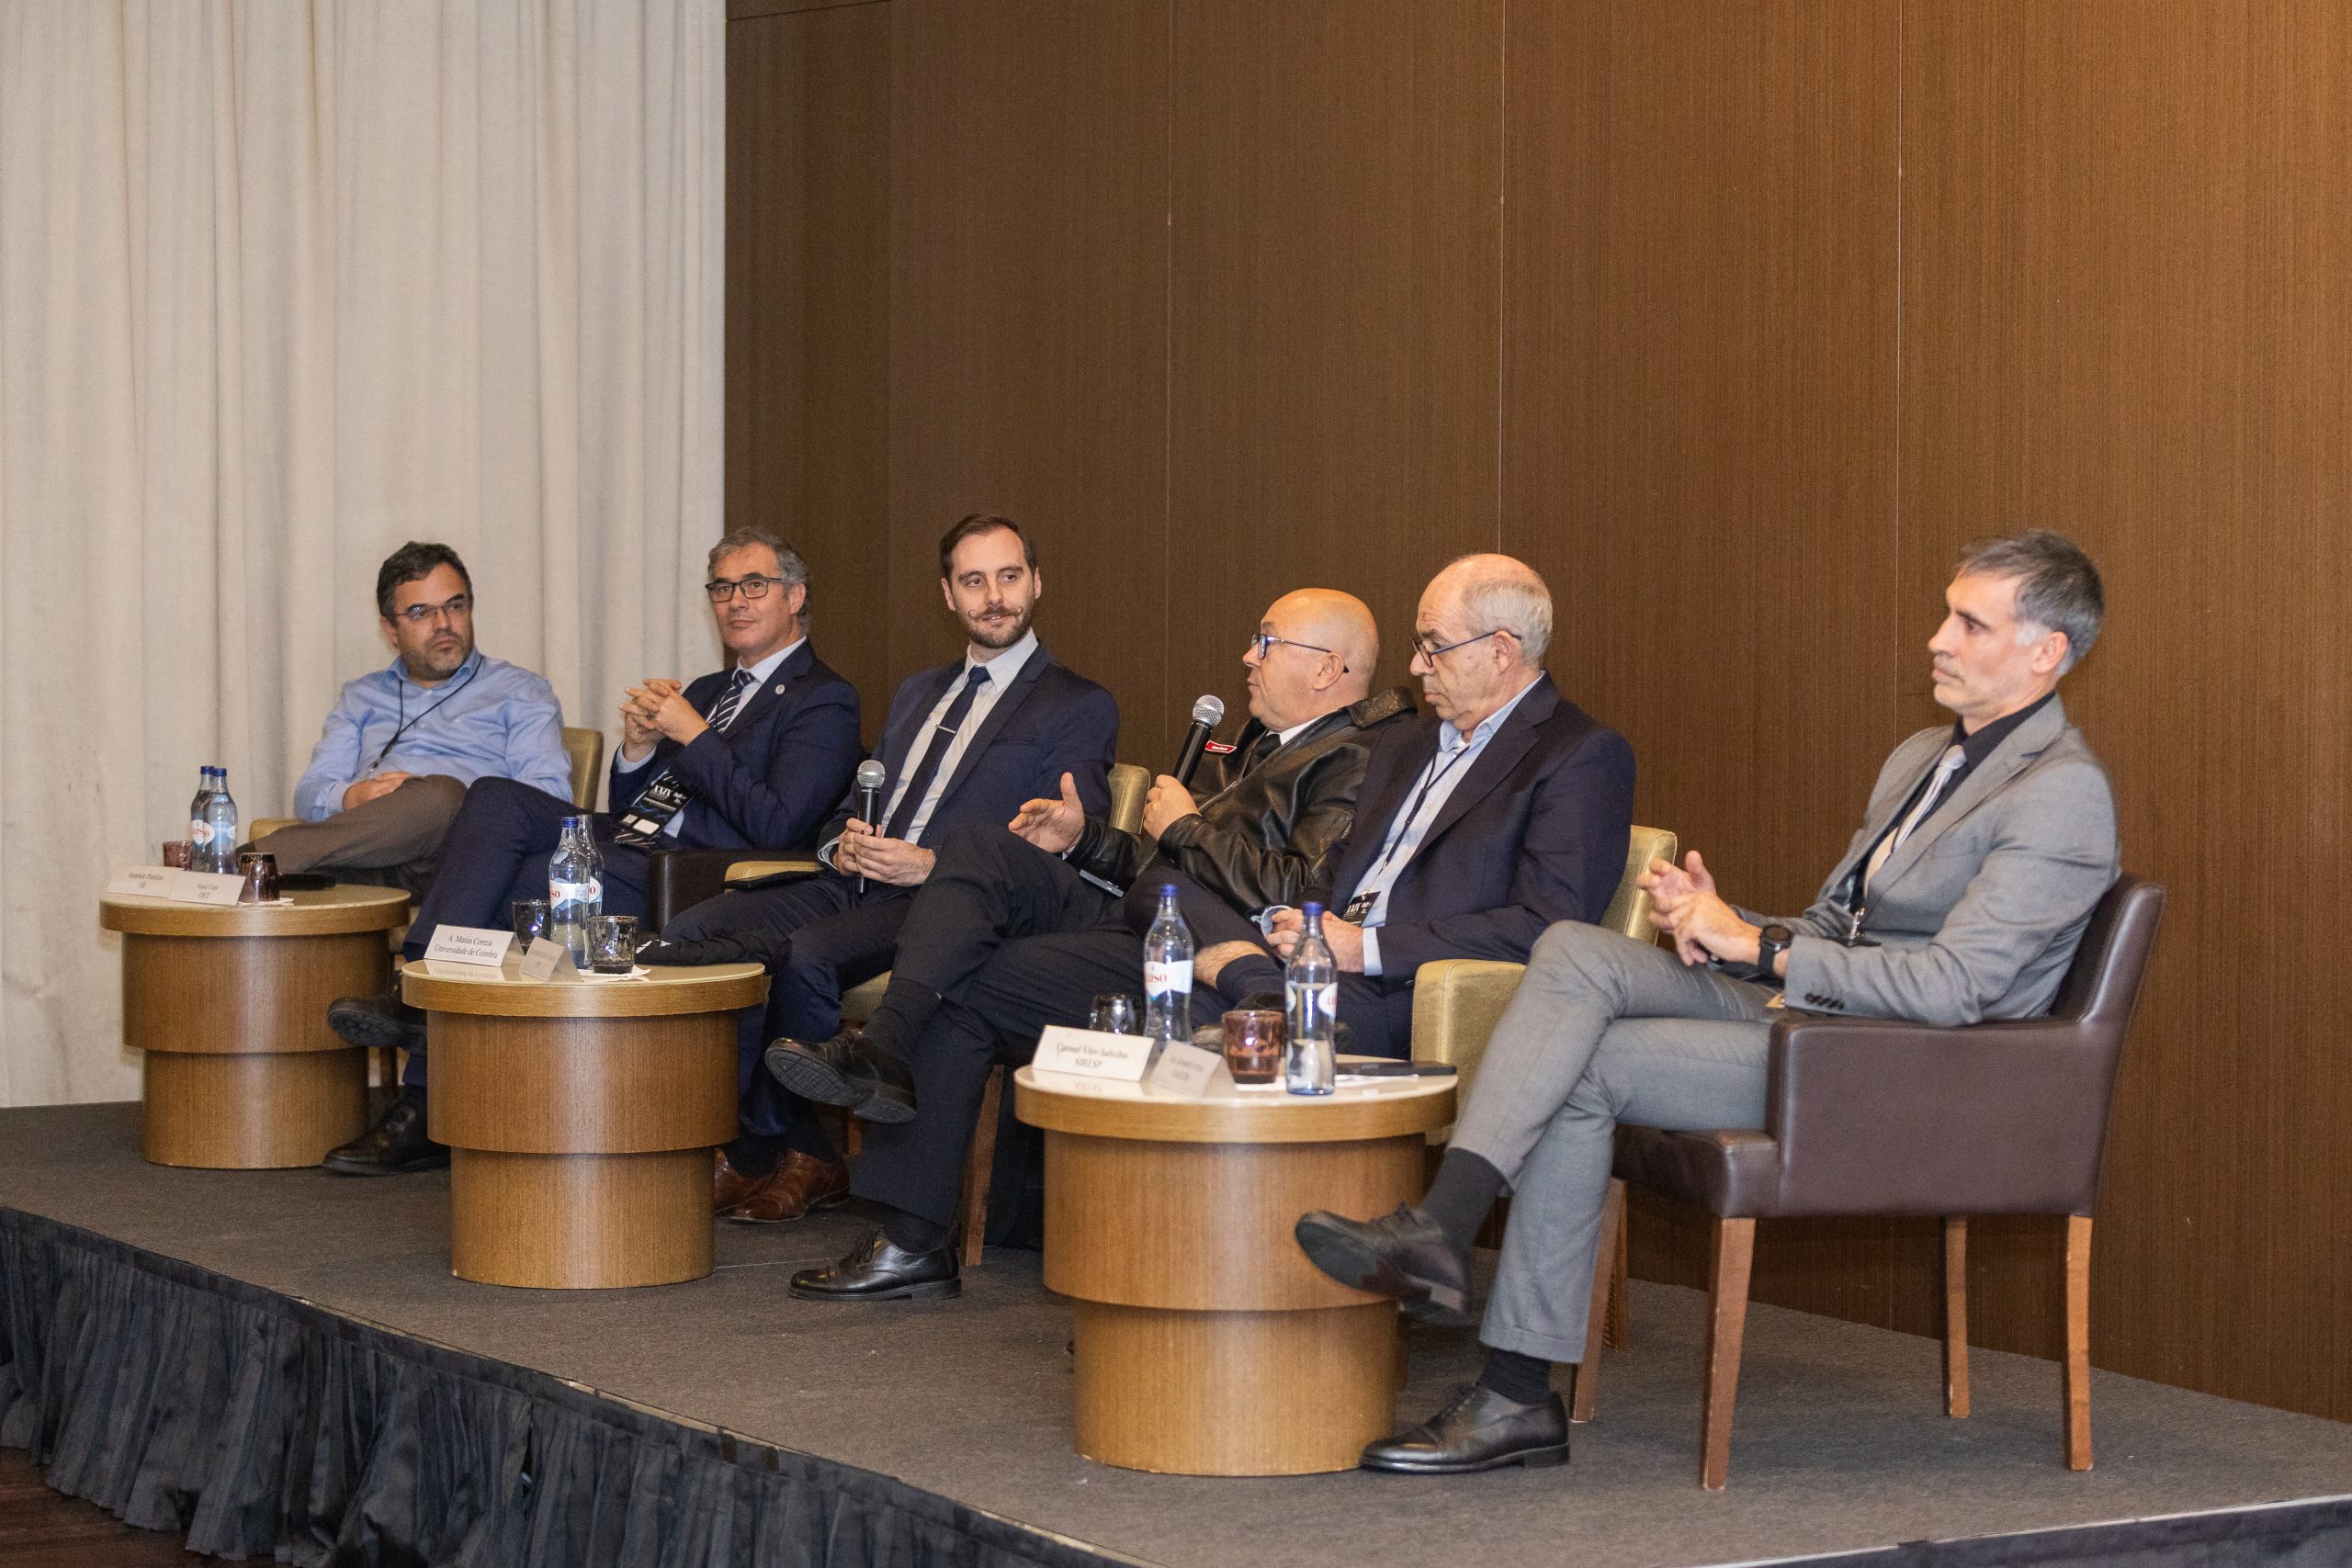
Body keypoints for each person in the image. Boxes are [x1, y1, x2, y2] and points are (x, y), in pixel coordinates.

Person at [1295, 531, 2120, 1475]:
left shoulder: (2061, 794)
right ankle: (1448, 1241)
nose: (1937, 638)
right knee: (1573, 951)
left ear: (2045, 651)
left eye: (1969, 623)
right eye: (1946, 614)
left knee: (1583, 1066)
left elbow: (1955, 988)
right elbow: (1837, 925)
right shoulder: (1922, 757)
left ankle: (1508, 1380)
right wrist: (1720, 920)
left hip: (1897, 1063)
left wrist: (1759, 948)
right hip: (1818, 1016)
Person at [781, 555, 1637, 1303]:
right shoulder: (1414, 746)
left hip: (1396, 990)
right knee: (973, 975)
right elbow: (1328, 879)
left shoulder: (1575, 754)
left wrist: (1356, 944)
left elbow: (1547, 926)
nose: (1415, 666)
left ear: (1501, 650)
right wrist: (1293, 923)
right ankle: (913, 1233)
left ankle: (1169, 1282)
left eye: (1433, 646)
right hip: (1277, 952)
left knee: (1184, 1002)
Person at [319, 526, 863, 1175]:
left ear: (795, 596)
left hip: (699, 876)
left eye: (754, 585)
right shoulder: (710, 689)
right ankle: (418, 981)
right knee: (494, 800)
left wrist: (693, 736)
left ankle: (426, 1092)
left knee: (518, 881)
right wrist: (637, 749)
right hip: (634, 845)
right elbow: (640, 806)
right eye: (722, 588)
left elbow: (778, 823)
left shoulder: (824, 697)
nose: (735, 601)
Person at [650, 514, 1119, 1224]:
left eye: (1009, 577)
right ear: (948, 594)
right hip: (853, 879)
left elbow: (1061, 843)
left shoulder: (1076, 703)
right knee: (690, 936)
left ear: (1037, 583)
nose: (994, 596)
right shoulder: (918, 692)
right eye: (973, 581)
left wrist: (932, 864)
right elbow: (853, 801)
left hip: (941, 905)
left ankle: (785, 1153)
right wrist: (839, 843)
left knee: (806, 957)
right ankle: (761, 1143)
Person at [248, 543, 571, 892]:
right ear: (390, 630)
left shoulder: (521, 691)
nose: (444, 624)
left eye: (455, 606)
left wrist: (458, 805)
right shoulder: (361, 697)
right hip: (376, 852)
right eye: (421, 613)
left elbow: (550, 798)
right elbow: (310, 791)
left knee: (442, 795)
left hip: (463, 853)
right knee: (377, 851)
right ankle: (338, 873)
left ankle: (248, 862)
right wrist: (351, 798)